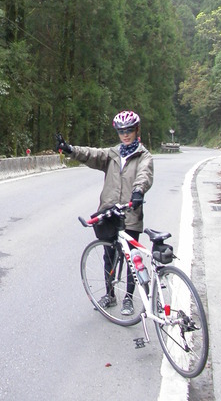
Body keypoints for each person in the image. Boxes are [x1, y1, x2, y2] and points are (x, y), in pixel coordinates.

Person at [56, 110, 154, 315]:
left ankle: (129, 298)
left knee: (131, 259)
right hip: (110, 213)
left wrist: (138, 191)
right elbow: (92, 154)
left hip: (131, 213)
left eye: (129, 131)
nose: (125, 135)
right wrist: (70, 149)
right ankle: (110, 294)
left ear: (137, 130)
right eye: (121, 131)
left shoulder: (144, 156)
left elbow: (144, 175)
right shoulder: (113, 154)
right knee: (109, 256)